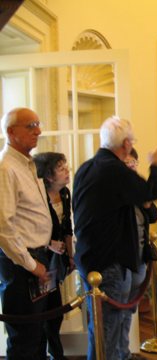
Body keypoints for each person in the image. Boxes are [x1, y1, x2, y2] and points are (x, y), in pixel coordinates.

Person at [73, 116, 157, 360]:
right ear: (126, 144)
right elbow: (150, 192)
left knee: (103, 328)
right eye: (131, 142)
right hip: (108, 261)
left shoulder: (87, 167)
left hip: (89, 257)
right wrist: (156, 165)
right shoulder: (113, 170)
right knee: (108, 330)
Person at [0, 108, 56, 359]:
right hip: (22, 265)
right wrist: (32, 265)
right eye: (31, 125)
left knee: (37, 335)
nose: (39, 131)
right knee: (24, 340)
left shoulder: (27, 163)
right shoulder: (5, 168)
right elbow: (4, 227)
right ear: (11, 132)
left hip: (37, 259)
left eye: (38, 123)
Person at [33, 151, 74, 360]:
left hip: (58, 261)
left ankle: (55, 353)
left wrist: (71, 255)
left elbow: (67, 227)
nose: (67, 171)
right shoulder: (37, 196)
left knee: (55, 311)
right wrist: (49, 244)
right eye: (61, 168)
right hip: (38, 260)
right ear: (48, 175)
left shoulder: (65, 193)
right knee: (40, 312)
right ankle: (49, 354)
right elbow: (28, 229)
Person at [124, 149, 157, 310]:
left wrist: (148, 205)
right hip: (124, 255)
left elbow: (154, 216)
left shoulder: (139, 186)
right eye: (127, 163)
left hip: (140, 251)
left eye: (134, 162)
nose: (131, 166)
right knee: (122, 301)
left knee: (133, 300)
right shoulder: (118, 188)